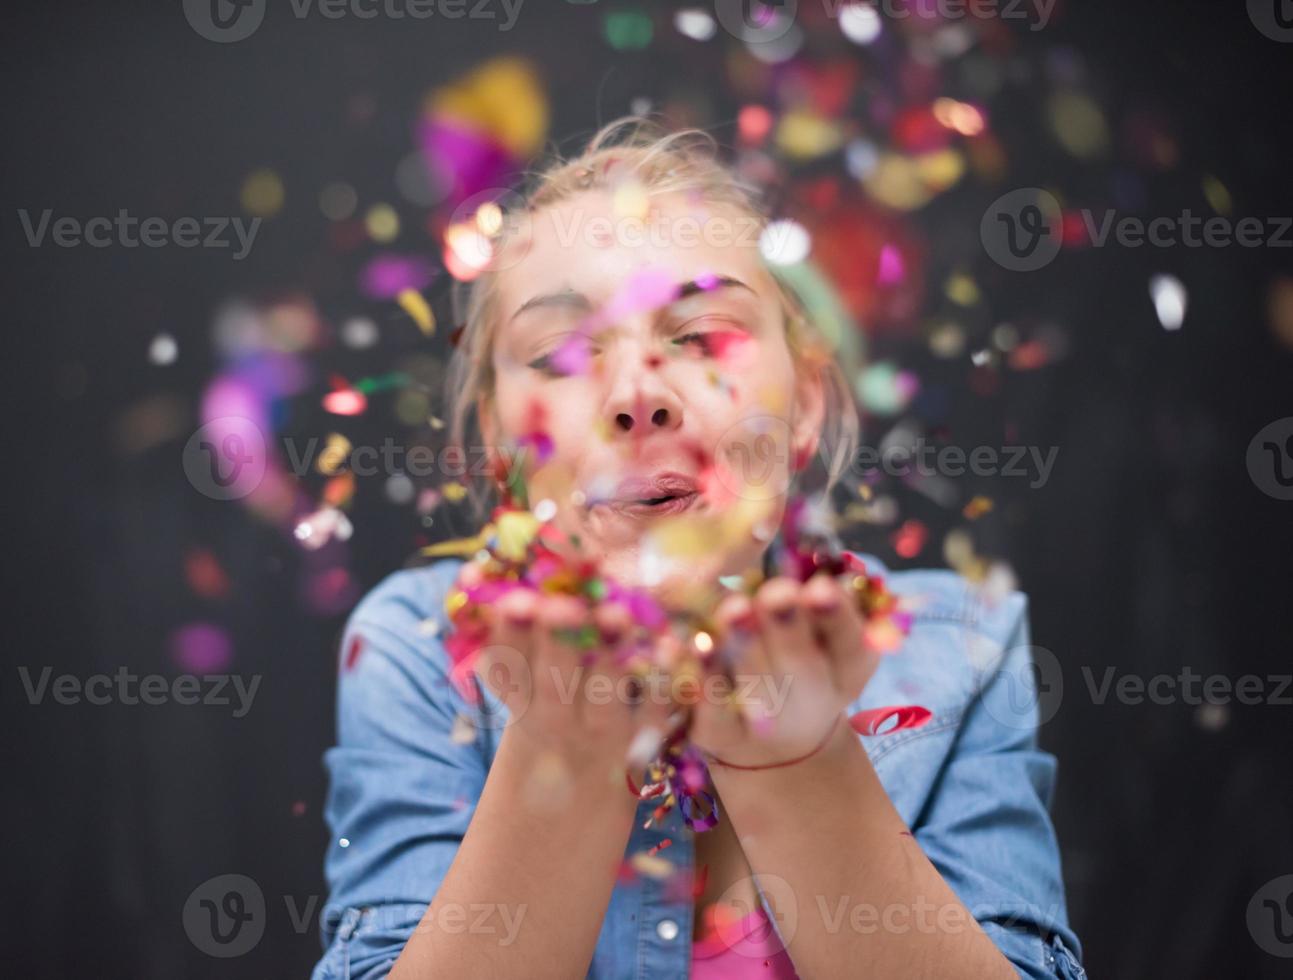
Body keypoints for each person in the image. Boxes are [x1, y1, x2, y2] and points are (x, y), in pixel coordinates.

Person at [311, 117, 1087, 980]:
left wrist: (794, 759)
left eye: (702, 336)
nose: (637, 395)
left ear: (805, 411)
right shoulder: (416, 647)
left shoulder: (959, 642)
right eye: (563, 352)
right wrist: (567, 753)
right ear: (499, 445)